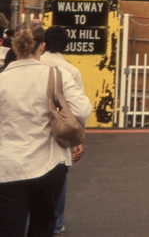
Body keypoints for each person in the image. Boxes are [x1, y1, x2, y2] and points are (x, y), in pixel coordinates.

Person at [0, 22, 91, 236]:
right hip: (49, 163)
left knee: (9, 228)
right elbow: (83, 109)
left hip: (7, 165)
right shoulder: (57, 75)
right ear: (42, 47)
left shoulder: (2, 80)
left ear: (14, 47)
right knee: (43, 226)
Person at [40, 26, 84, 235]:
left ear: (44, 43)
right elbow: (79, 110)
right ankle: (57, 223)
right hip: (61, 129)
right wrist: (78, 141)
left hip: (36, 124)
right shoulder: (71, 71)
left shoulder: (36, 64)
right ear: (66, 45)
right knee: (60, 170)